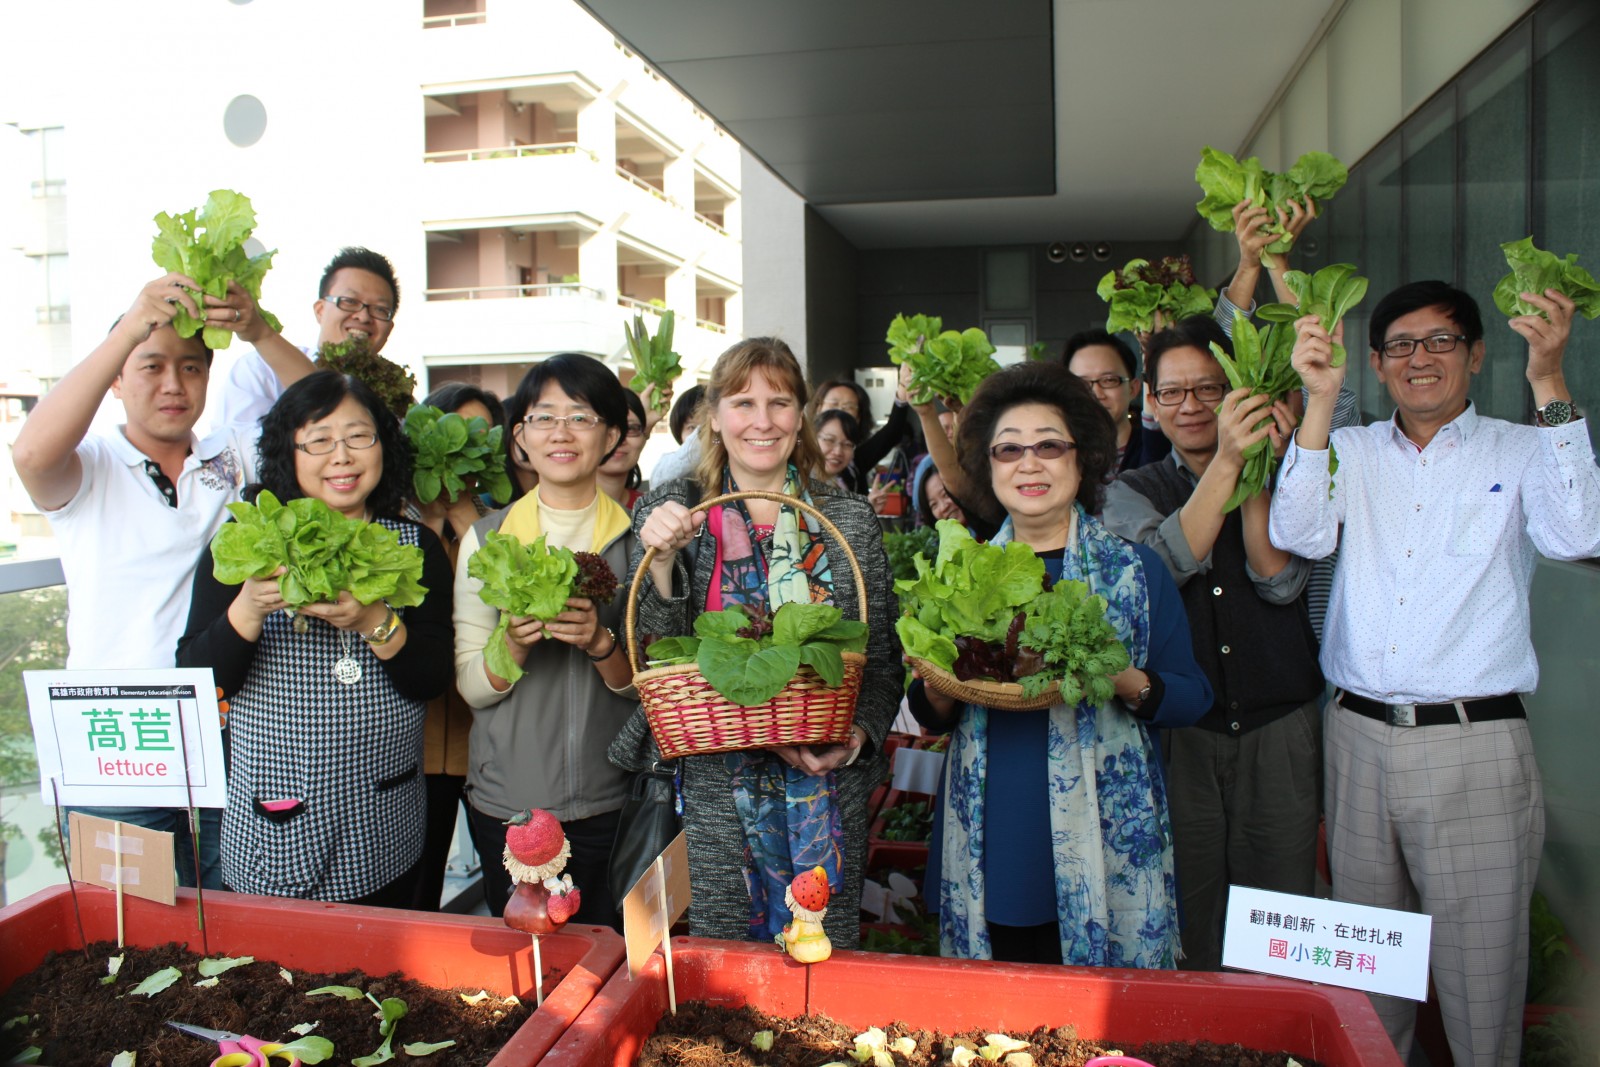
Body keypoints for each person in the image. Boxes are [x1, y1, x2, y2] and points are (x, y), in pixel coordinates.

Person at [1270, 281, 1600, 1067]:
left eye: (1441, 341)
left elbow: (1579, 529)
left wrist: (1549, 378)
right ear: (1378, 365)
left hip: (1473, 744)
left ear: (1478, 354)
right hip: (1356, 735)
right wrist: (1319, 399)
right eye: (1402, 347)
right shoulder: (1347, 450)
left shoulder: (1519, 447)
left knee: (1480, 984)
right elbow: (1299, 530)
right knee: (1370, 977)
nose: (1422, 359)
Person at [13, 273, 313, 889]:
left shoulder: (231, 455)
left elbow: (325, 405)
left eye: (193, 368)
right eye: (151, 366)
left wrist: (256, 329)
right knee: (128, 935)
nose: (175, 385)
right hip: (116, 741)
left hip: (226, 729)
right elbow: (30, 456)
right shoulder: (89, 464)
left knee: (235, 920)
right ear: (117, 379)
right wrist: (131, 325)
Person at [908, 361, 1212, 966]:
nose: (1029, 463)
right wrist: (939, 683)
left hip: (1106, 834)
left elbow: (1189, 695)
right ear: (987, 465)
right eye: (1009, 450)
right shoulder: (957, 575)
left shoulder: (1134, 570)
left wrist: (1116, 676)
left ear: (1083, 457)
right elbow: (931, 713)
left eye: (1049, 446)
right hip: (993, 831)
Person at [609, 337, 901, 948]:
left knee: (824, 957)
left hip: (824, 782)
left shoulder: (847, 521)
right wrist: (661, 562)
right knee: (726, 965)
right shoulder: (675, 511)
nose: (762, 421)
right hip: (718, 787)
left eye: (779, 402)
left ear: (802, 415)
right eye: (742, 403)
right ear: (714, 416)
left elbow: (880, 660)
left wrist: (858, 737)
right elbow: (653, 654)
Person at [177, 371, 454, 903]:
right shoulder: (248, 541)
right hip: (274, 815)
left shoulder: (414, 544)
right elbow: (198, 675)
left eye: (358, 436)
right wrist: (251, 605)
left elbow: (432, 678)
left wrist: (374, 620)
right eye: (319, 440)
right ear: (289, 452)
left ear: (383, 445)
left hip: (383, 815)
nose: (342, 456)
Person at [1101, 315, 1325, 973]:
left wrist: (1256, 465)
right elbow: (1155, 573)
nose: (1192, 406)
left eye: (1209, 389)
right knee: (1187, 916)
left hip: (1281, 726)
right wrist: (1230, 461)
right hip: (1181, 735)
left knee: (1281, 920)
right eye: (1174, 392)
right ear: (1153, 402)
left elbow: (1279, 583)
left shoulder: (1292, 474)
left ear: (1238, 393)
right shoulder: (1128, 489)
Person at [453, 354, 636, 925]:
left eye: (581, 418)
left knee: (608, 960)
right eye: (544, 417)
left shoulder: (640, 542)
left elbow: (654, 690)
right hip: (510, 804)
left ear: (610, 436)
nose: (561, 432)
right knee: (527, 958)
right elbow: (471, 687)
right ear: (520, 438)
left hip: (613, 800)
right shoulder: (486, 541)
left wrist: (602, 644)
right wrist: (513, 646)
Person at [404, 380, 505, 910]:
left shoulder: (500, 528)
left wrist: (468, 519)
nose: (470, 450)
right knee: (416, 890)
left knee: (505, 885)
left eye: (484, 439)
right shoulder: (396, 529)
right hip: (409, 750)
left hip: (483, 747)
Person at [217, 246, 401, 431]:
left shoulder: (400, 401)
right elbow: (240, 448)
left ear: (390, 328)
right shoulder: (260, 370)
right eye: (349, 301)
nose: (363, 317)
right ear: (320, 310)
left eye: (380, 309)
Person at [1063, 329, 1169, 475]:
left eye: (1109, 380)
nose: (1096, 393)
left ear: (1133, 388)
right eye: (1082, 384)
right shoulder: (1056, 456)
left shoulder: (1161, 450)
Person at [599, 386, 649, 511]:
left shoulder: (651, 512)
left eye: (631, 429)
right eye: (607, 428)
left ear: (644, 437)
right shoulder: (559, 512)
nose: (619, 440)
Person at [815, 408, 861, 492]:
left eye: (847, 444)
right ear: (811, 439)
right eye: (830, 440)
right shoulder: (790, 481)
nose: (838, 452)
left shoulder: (847, 481)